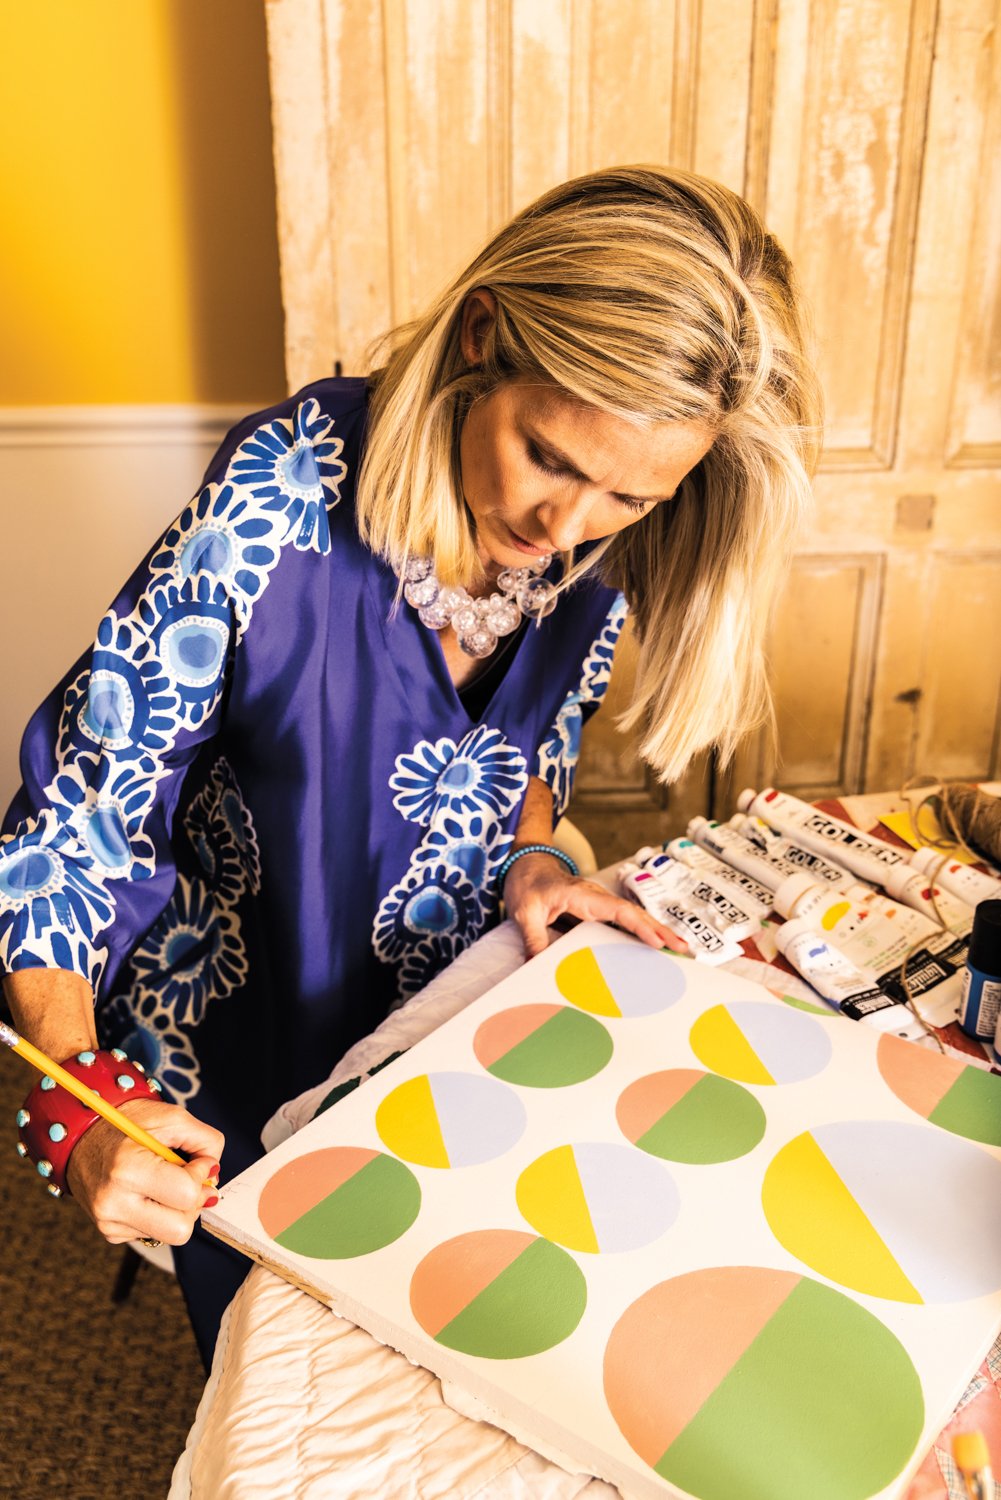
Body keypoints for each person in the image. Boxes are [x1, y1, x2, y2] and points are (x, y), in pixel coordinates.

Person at [1, 165, 821, 1366]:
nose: (568, 529)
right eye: (546, 456)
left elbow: (529, 745)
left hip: (450, 1034)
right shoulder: (274, 505)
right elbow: (73, 826)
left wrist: (535, 854)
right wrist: (76, 1102)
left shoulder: (588, 543)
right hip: (240, 1053)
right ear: (483, 337)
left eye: (625, 498)